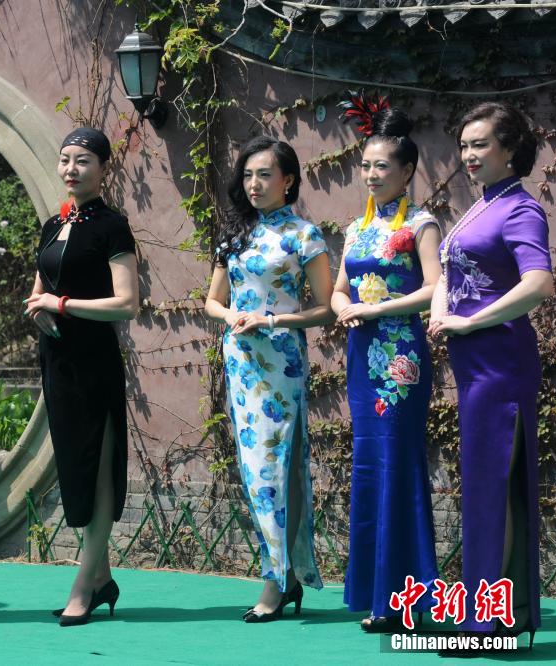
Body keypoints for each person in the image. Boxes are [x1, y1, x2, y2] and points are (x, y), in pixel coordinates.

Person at [429, 102, 554, 650]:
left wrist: (470, 320)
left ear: (510, 148)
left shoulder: (520, 209)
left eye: (480, 144)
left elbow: (539, 283)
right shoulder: (478, 207)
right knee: (485, 488)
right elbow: (446, 272)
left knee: (491, 489)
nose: (469, 155)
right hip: (473, 362)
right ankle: (498, 615)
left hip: (501, 362)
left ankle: (488, 622)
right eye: (464, 145)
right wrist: (441, 313)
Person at [203, 136, 333, 622]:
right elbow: (212, 301)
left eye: (264, 174)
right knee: (253, 470)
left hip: (282, 363)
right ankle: (285, 575)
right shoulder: (234, 233)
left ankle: (276, 580)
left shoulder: (304, 235)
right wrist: (233, 316)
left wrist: (271, 320)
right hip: (241, 360)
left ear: (288, 180)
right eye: (247, 175)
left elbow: (324, 309)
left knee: (276, 468)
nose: (253, 184)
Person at [330, 104, 441, 632]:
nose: (371, 174)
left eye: (382, 166)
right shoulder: (356, 227)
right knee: (370, 464)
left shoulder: (421, 223)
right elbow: (339, 289)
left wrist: (376, 309)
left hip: (401, 360)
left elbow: (434, 288)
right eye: (366, 165)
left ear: (407, 171)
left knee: (398, 461)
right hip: (361, 354)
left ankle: (407, 600)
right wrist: (342, 307)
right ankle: (380, 594)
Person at [25, 127, 138, 626]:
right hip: (57, 359)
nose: (71, 169)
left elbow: (127, 303)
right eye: (65, 159)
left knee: (97, 465)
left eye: (83, 160)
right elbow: (40, 290)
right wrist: (38, 308)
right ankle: (103, 578)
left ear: (103, 169)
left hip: (94, 360)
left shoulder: (112, 226)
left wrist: (63, 304)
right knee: (75, 467)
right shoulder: (54, 224)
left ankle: (83, 584)